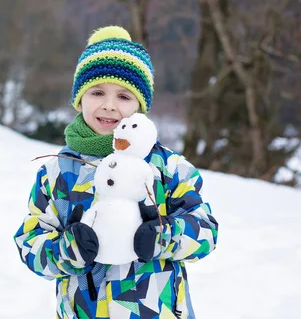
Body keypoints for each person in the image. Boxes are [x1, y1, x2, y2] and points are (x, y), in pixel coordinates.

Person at [13, 25, 218, 319]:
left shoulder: (167, 167)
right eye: (97, 92)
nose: (109, 106)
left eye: (124, 96)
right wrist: (68, 250)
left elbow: (206, 230)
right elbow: (29, 243)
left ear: (140, 105)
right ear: (79, 98)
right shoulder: (57, 173)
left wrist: (163, 237)